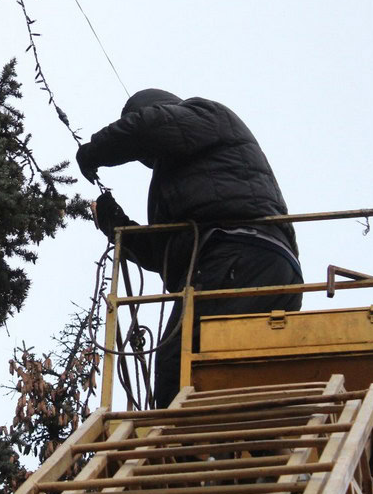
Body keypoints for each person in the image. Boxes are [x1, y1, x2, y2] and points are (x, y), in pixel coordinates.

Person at [75, 89, 302, 408]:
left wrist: (94, 152)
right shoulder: (178, 176)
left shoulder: (208, 115)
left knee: (178, 367)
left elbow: (149, 127)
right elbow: (165, 252)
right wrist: (117, 226)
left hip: (236, 255)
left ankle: (178, 455)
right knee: (237, 384)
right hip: (261, 265)